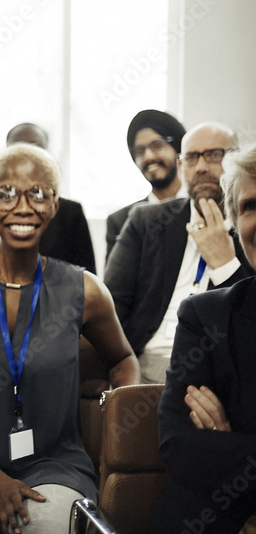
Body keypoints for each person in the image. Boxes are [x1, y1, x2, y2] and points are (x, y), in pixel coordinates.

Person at [0, 143, 140, 534]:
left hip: (54, 463)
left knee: (48, 527)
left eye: (38, 193)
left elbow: (123, 359)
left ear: (55, 204)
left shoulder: (86, 290)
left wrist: (117, 406)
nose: (23, 207)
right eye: (5, 193)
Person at [148, 142, 256, 534]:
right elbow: (180, 447)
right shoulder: (204, 315)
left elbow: (209, 455)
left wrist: (230, 444)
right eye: (250, 206)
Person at [105, 121, 253, 383]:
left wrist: (225, 265)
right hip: (143, 364)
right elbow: (110, 307)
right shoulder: (147, 221)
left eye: (215, 155)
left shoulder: (249, 227)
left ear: (235, 162)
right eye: (192, 157)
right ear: (181, 166)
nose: (202, 167)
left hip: (219, 371)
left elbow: (249, 327)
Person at [0, 123, 97, 273]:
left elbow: (86, 271)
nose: (23, 209)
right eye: (16, 148)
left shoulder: (70, 213)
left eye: (35, 148)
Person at [105, 109, 187, 261]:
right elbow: (113, 284)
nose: (148, 156)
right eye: (140, 151)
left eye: (157, 145)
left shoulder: (202, 210)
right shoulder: (121, 221)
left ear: (177, 149)